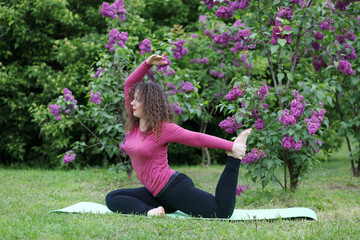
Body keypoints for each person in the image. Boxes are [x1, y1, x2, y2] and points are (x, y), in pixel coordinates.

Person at [105, 53, 252, 218]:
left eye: (137, 100)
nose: (132, 103)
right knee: (112, 198)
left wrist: (231, 146)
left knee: (221, 212)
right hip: (156, 193)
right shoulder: (134, 125)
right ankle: (151, 211)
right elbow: (129, 84)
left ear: (149, 103)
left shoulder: (163, 129)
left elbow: (196, 138)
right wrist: (147, 64)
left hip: (172, 187)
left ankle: (234, 158)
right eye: (133, 99)